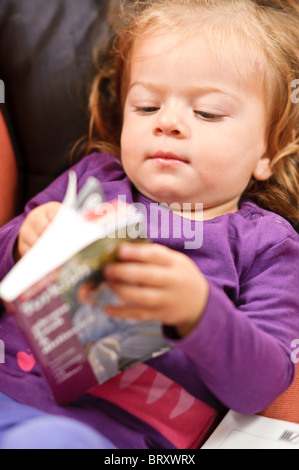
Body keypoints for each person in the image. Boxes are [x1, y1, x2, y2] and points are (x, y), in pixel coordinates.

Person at [0, 0, 298, 449]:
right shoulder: (91, 181)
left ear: (267, 151)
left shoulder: (267, 246)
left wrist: (197, 311)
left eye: (208, 112)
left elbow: (264, 386)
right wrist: (21, 242)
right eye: (146, 106)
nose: (168, 123)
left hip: (110, 438)